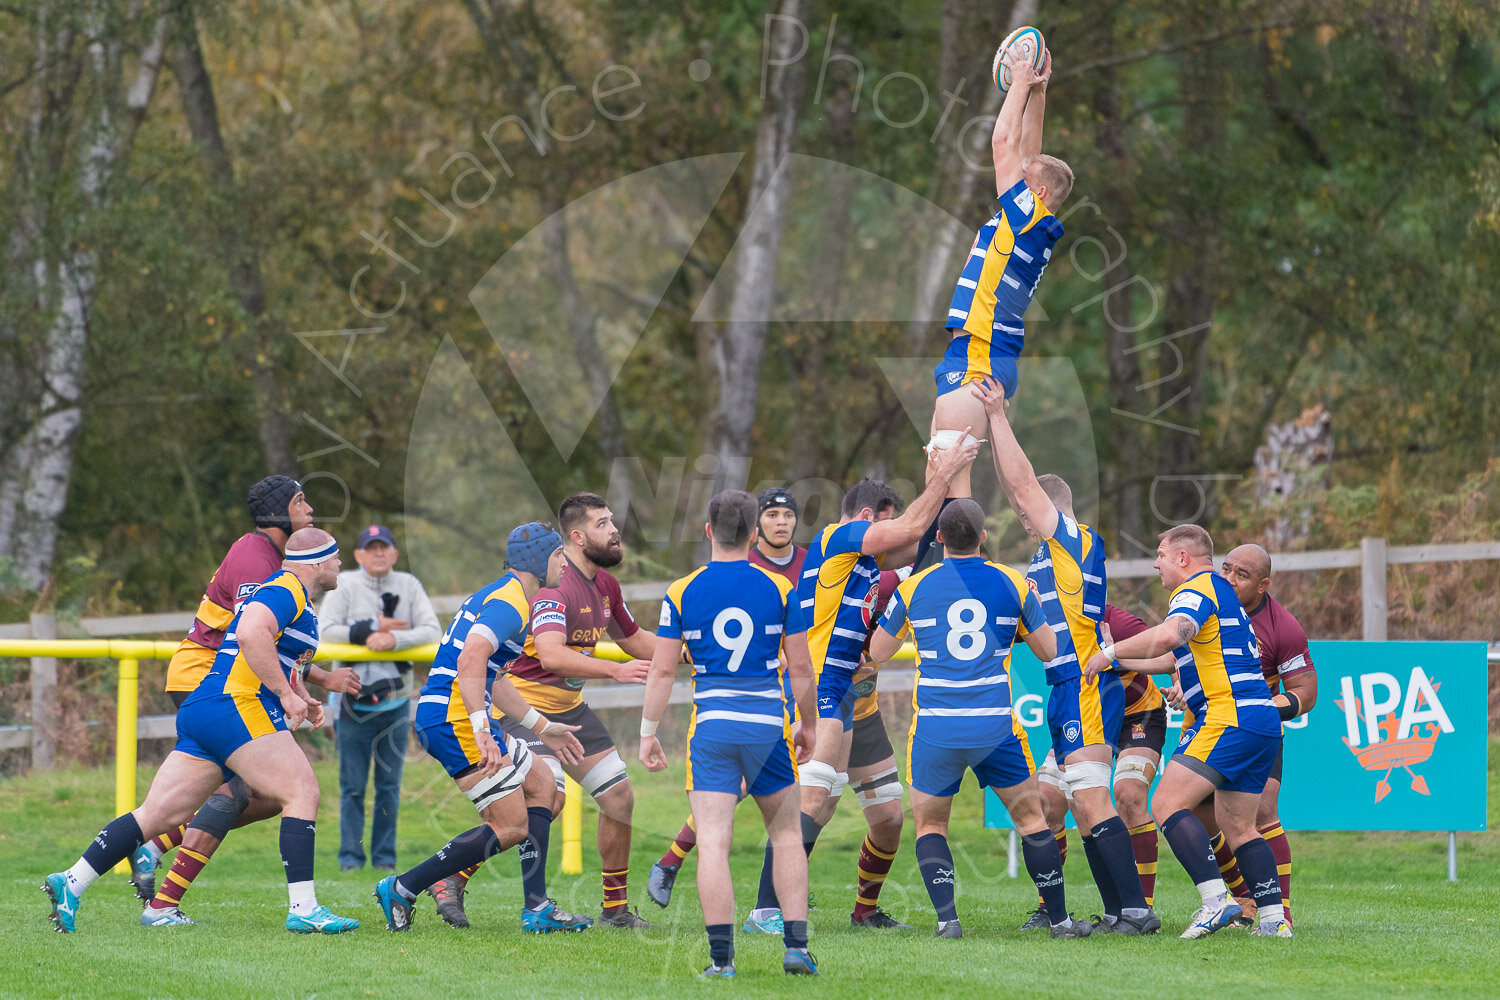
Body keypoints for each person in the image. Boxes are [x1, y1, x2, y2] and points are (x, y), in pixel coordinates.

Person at [45, 529, 358, 934]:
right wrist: (284, 693)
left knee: (159, 815)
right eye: (336, 558)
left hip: (207, 705)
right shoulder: (288, 588)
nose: (339, 565)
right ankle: (304, 908)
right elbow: (249, 634)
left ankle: (72, 881)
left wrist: (300, 693)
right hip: (236, 704)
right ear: (317, 561)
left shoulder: (294, 597)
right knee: (302, 792)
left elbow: (275, 654)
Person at [745, 443, 979, 936]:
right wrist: (949, 469)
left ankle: (865, 910)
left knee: (890, 814)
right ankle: (765, 911)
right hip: (823, 690)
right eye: (884, 527)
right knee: (813, 802)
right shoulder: (839, 536)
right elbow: (913, 530)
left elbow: (926, 543)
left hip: (852, 696)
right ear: (869, 518)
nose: (889, 541)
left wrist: (938, 471)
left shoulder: (867, 565)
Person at [972, 378, 1158, 935]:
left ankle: (1137, 912)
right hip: (1063, 685)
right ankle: (1117, 910)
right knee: (1081, 801)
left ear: (1053, 512)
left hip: (1081, 682)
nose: (1023, 522)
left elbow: (1025, 484)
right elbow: (1020, 492)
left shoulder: (1070, 538)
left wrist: (998, 417)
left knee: (1094, 797)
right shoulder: (1047, 556)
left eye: (1029, 516)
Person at [133, 476, 360, 923]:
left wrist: (308, 683)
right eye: (300, 501)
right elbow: (254, 639)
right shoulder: (259, 559)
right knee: (259, 790)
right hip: (210, 679)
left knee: (267, 794)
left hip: (232, 683)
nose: (311, 509)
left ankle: (157, 858)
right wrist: (307, 685)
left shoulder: (277, 558)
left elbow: (272, 644)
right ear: (279, 512)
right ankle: (159, 866)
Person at [866, 499, 1090, 939]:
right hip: (994, 726)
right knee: (1031, 821)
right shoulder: (1012, 582)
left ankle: (948, 921)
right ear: (984, 537)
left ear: (940, 539)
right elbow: (1049, 651)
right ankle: (1061, 921)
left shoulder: (914, 588)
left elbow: (877, 653)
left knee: (931, 826)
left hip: (935, 728)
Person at [375, 522, 592, 934]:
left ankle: (537, 907)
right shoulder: (510, 603)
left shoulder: (509, 596)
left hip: (462, 715)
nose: (564, 563)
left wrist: (542, 726)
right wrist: (480, 729)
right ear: (538, 560)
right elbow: (471, 658)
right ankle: (404, 887)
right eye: (558, 555)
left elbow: (493, 676)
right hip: (452, 720)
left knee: (545, 788)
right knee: (511, 825)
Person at [640, 490, 819, 977]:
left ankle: (722, 962)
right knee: (785, 837)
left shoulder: (681, 590)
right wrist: (809, 723)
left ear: (707, 531)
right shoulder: (781, 588)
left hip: (713, 729)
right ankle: (797, 948)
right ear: (754, 534)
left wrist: (646, 732)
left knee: (714, 841)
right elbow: (801, 668)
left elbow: (660, 672)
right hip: (767, 727)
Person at [1083, 525, 1292, 939]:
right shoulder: (1220, 592)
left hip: (1228, 716)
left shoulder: (1195, 589)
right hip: (1261, 719)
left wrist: (1108, 651)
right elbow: (1171, 657)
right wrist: (1116, 664)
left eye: (1160, 554)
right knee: (1239, 826)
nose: (1155, 563)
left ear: (1183, 558)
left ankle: (1216, 901)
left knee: (1164, 802)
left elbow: (1169, 635)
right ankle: (1272, 920)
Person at [913, 44, 1073, 568]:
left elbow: (1003, 142)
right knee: (942, 478)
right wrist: (1041, 94)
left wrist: (1020, 80)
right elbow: (1028, 153)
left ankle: (939, 583)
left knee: (946, 483)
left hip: (980, 356)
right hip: (975, 353)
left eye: (1027, 181)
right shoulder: (1028, 220)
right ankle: (939, 581)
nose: (1013, 179)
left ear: (1040, 192)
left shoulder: (1029, 219)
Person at [496, 492, 659, 928]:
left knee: (619, 796)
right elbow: (550, 654)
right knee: (546, 799)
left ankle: (616, 910)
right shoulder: (556, 586)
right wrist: (614, 670)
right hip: (524, 707)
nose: (614, 529)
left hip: (570, 709)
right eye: (603, 523)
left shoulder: (605, 584)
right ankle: (454, 876)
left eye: (612, 520)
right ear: (578, 535)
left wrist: (697, 651)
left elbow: (637, 640)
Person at [1190, 544, 1317, 927]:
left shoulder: (1283, 626)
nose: (1228, 579)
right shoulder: (1202, 599)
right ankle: (1244, 898)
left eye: (1240, 575)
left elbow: (1306, 690)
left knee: (1263, 808)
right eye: (1225, 568)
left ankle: (1281, 912)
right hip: (1206, 722)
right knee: (1197, 812)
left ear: (1263, 585)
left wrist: (1264, 708)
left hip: (1254, 728)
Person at [317, 524, 441, 873]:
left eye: (383, 547)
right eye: (370, 548)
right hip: (351, 702)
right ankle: (350, 860)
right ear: (358, 555)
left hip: (396, 702)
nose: (378, 553)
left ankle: (385, 859)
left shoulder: (408, 585)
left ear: (394, 553)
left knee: (389, 786)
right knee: (352, 787)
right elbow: (324, 631)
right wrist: (366, 633)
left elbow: (434, 632)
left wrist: (395, 641)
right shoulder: (344, 585)